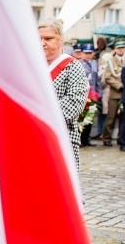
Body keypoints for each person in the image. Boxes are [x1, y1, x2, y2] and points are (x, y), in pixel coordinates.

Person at [38, 17, 89, 170]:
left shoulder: (73, 67)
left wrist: (37, 113)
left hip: (61, 137)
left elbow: (74, 104)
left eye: (48, 38)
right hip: (33, 136)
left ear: (61, 39)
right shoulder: (31, 66)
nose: (42, 43)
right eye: (38, 38)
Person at [102, 40, 125, 147]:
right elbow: (107, 77)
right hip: (114, 93)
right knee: (111, 117)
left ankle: (120, 137)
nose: (120, 50)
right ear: (115, 49)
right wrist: (119, 85)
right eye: (118, 48)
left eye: (122, 48)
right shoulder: (111, 61)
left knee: (123, 117)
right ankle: (106, 138)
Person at [80, 44, 101, 147]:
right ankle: (79, 139)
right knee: (81, 118)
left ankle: (86, 139)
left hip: (93, 94)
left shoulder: (94, 63)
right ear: (82, 53)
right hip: (83, 94)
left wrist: (99, 93)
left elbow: (97, 79)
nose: (88, 55)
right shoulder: (78, 64)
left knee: (90, 117)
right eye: (86, 53)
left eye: (90, 53)